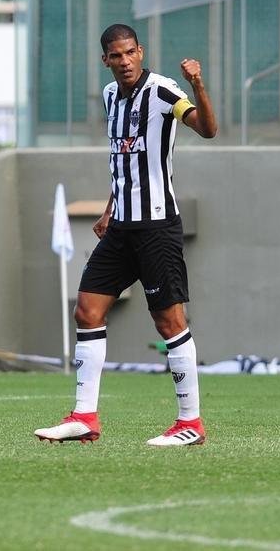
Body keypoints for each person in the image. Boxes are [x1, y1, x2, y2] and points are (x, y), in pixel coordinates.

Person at [35, 23, 218, 447]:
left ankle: (190, 423)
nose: (125, 61)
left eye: (130, 53)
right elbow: (125, 159)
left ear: (141, 51)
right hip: (120, 226)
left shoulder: (163, 90)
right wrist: (110, 207)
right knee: (87, 310)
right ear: (106, 61)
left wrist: (199, 85)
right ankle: (84, 417)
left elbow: (207, 129)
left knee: (168, 320)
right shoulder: (109, 96)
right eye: (116, 56)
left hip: (157, 227)